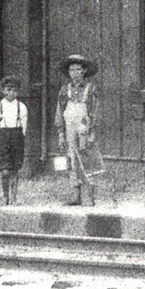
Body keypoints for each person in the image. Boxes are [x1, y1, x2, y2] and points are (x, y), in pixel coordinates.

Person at [55, 54, 106, 207]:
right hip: (69, 126)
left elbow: (95, 111)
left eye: (78, 69)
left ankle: (89, 196)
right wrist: (61, 134)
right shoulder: (65, 90)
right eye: (71, 70)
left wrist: (92, 133)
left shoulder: (91, 89)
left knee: (87, 158)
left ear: (84, 71)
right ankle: (76, 195)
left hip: (84, 128)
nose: (75, 73)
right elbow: (60, 111)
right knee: (71, 159)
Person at [0, 75, 28, 205]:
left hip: (16, 136)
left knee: (15, 169)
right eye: (9, 89)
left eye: (15, 90)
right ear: (3, 90)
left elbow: (24, 125)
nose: (11, 93)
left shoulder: (21, 107)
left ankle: (14, 197)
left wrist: (20, 136)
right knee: (5, 170)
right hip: (3, 136)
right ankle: (5, 196)